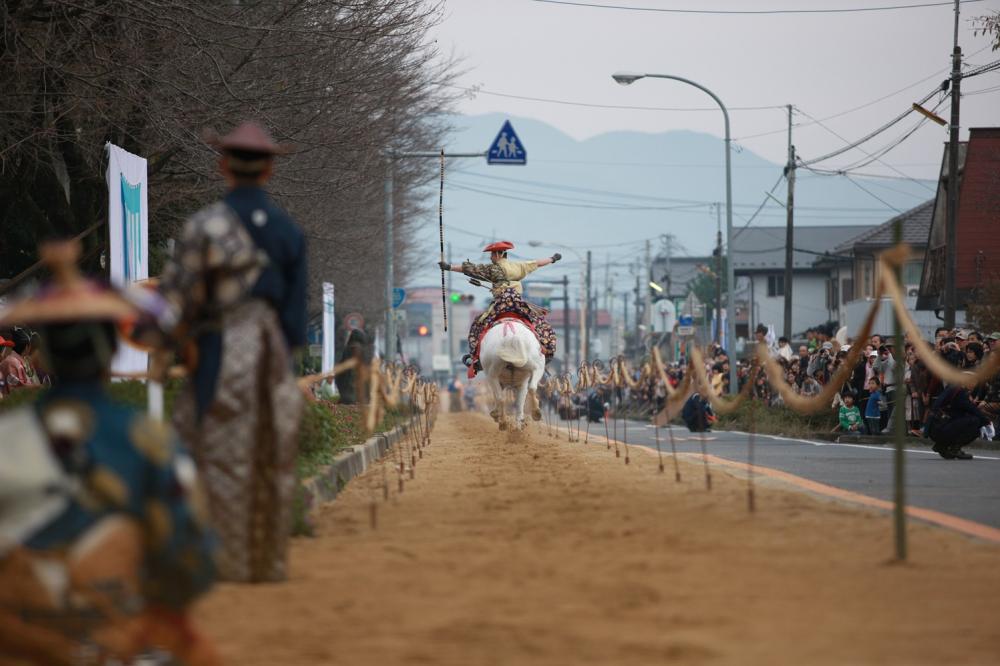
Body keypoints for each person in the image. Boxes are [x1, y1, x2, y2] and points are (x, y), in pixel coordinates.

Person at [0, 240, 217, 664]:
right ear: (112, 350)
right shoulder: (147, 440)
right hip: (112, 637)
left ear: (48, 354)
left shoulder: (7, 435)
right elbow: (192, 558)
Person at [137, 121, 306, 583]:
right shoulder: (289, 233)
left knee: (217, 453)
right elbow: (294, 319)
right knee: (273, 455)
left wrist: (156, 341)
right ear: (270, 169)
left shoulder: (203, 226)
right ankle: (267, 561)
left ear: (222, 166)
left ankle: (223, 559)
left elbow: (175, 300)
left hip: (217, 349)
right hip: (272, 353)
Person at [439, 241, 560, 373]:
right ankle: (546, 352)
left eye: (492, 255)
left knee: (478, 325)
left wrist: (449, 267)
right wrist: (552, 259)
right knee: (541, 324)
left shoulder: (493, 269)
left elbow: (469, 268)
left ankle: (475, 359)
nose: (491, 258)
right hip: (518, 304)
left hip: (501, 304)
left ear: (498, 254)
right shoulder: (519, 266)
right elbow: (537, 263)